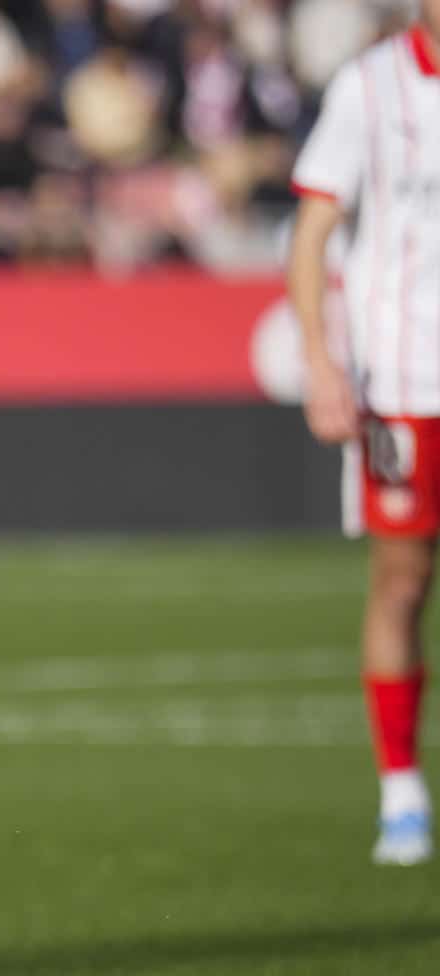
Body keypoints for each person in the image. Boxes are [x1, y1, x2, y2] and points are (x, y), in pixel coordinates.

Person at [288, 1, 440, 867]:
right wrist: (322, 359)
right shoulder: (371, 88)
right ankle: (403, 791)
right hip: (405, 382)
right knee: (404, 579)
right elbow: (313, 234)